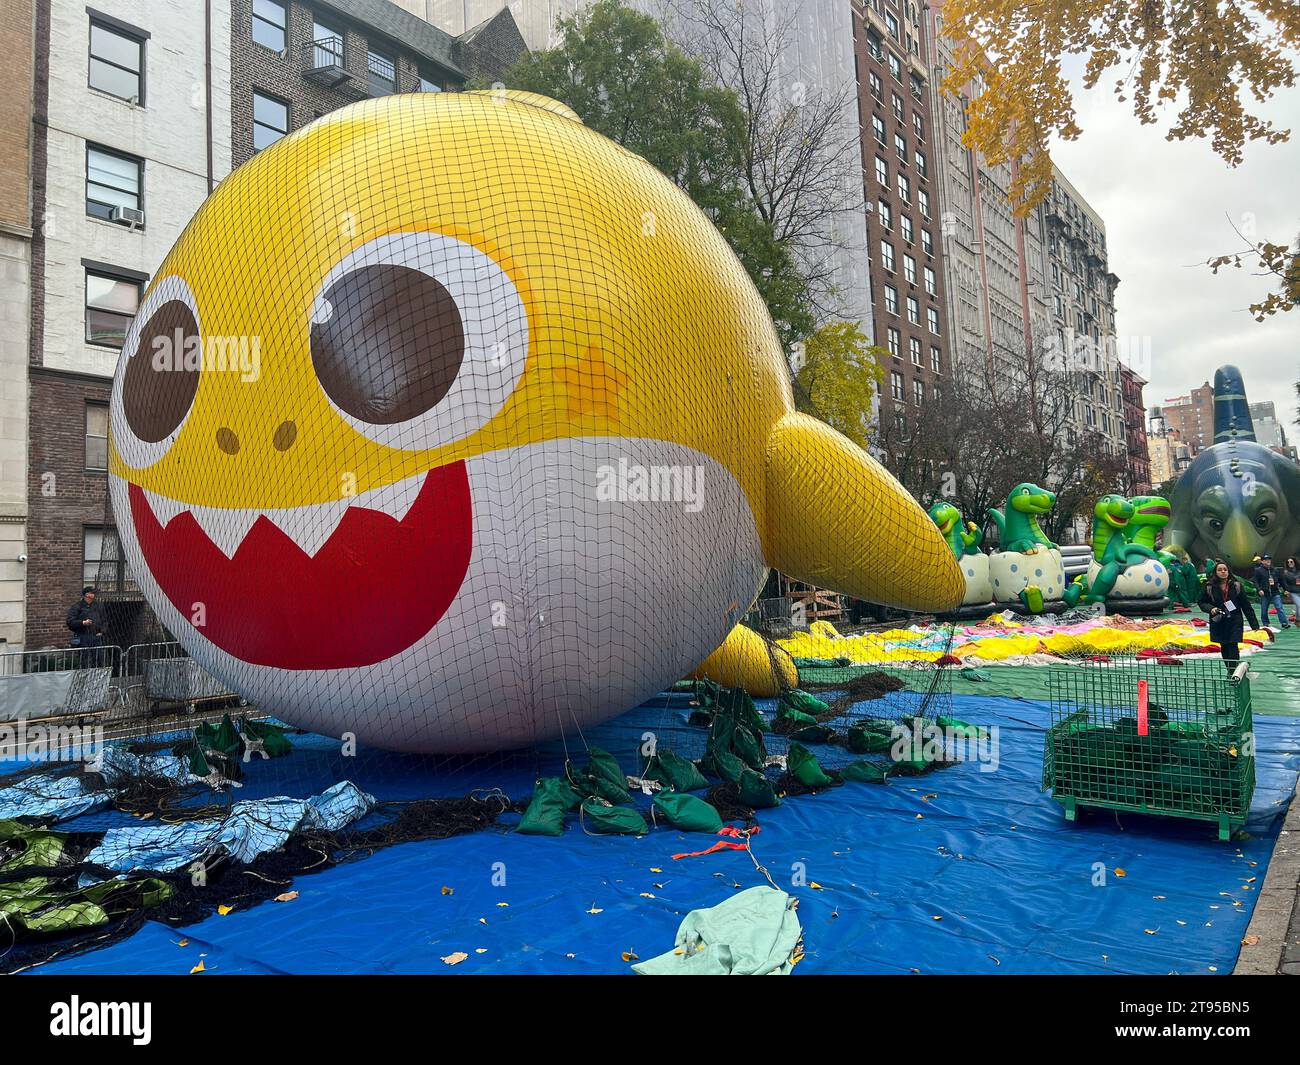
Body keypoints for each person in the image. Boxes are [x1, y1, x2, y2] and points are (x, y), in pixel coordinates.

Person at [1200, 561, 1261, 675]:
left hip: (1234, 620)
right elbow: (1202, 602)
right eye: (1220, 570)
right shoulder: (1209, 586)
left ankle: (1234, 672)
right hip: (1218, 620)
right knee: (1224, 645)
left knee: (1233, 644)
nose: (1223, 572)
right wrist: (1211, 609)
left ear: (1228, 571)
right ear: (1215, 572)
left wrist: (1254, 624)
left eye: (1225, 569)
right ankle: (1230, 670)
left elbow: (1246, 605)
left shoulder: (1236, 585)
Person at [1252, 553, 1290, 628]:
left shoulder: (1275, 570)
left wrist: (1286, 589)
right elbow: (1255, 581)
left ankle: (1284, 623)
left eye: (1269, 559)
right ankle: (1266, 623)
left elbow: (1281, 581)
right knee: (1264, 609)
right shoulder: (1258, 570)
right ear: (1262, 561)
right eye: (1266, 560)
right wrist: (1259, 590)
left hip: (1275, 592)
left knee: (1279, 607)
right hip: (1265, 594)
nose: (1268, 561)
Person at [1283, 557, 1300, 624]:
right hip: (1293, 592)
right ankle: (1298, 620)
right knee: (1299, 605)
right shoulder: (1286, 573)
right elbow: (1285, 583)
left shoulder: (1299, 571)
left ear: (1295, 562)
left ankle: (1297, 620)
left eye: (1291, 562)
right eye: (1288, 562)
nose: (1289, 563)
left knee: (1298, 606)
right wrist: (1286, 590)